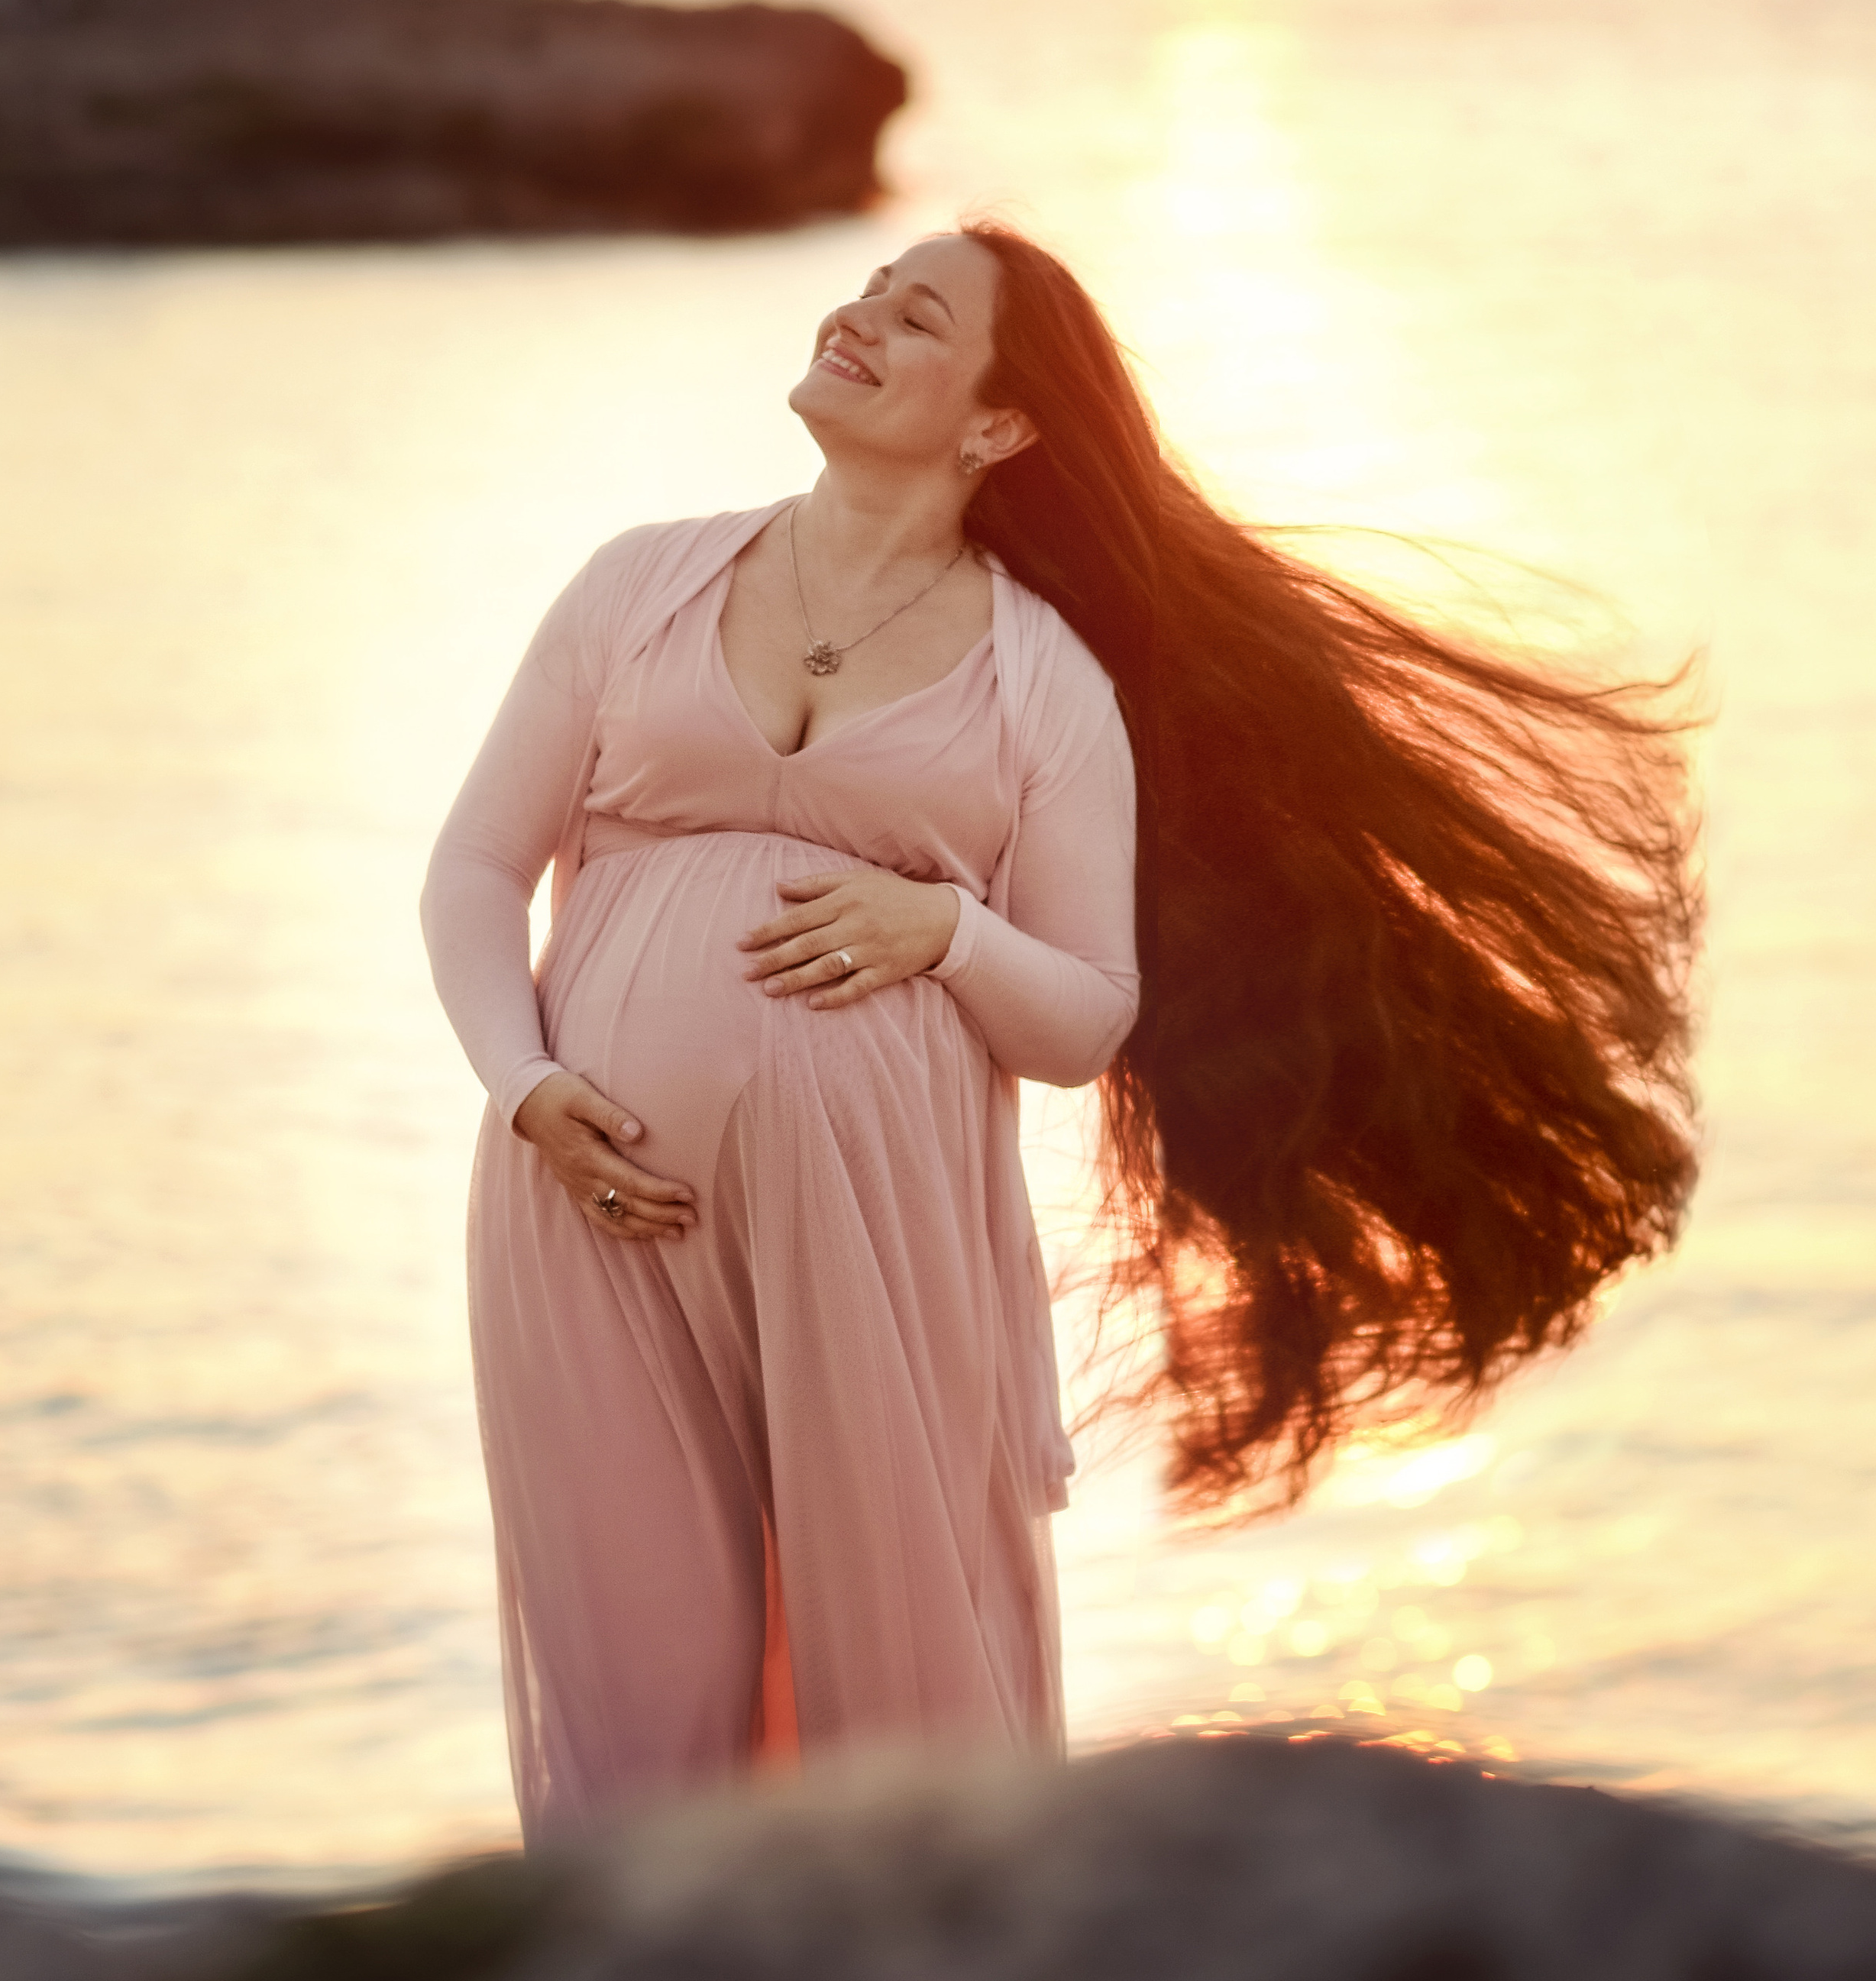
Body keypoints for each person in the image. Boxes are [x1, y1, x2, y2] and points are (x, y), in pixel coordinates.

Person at [423, 223, 1697, 1838]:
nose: (859, 314)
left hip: (875, 1242)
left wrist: (942, 928)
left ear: (997, 425)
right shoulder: (638, 582)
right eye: (867, 289)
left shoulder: (1041, 679)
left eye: (916, 314)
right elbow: (478, 866)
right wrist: (523, 1083)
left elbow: (1086, 1016)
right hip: (587, 1201)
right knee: (636, 1683)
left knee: (897, 1697)